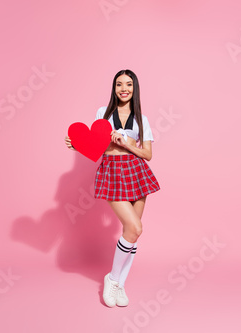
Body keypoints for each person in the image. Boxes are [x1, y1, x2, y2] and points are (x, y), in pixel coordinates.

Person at [64, 69, 160, 307]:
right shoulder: (103, 113)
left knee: (134, 233)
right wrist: (76, 145)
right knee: (134, 226)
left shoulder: (141, 118)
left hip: (136, 171)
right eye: (119, 84)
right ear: (114, 88)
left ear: (134, 88)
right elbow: (95, 147)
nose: (124, 89)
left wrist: (127, 143)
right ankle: (112, 279)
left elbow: (148, 154)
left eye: (128, 84)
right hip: (113, 171)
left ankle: (119, 284)